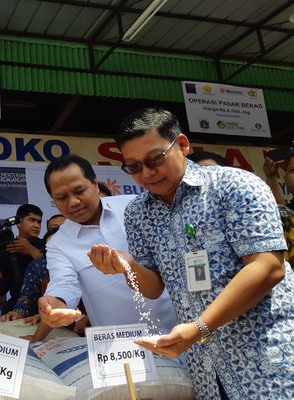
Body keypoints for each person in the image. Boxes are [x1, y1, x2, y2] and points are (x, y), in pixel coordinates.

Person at [92, 107, 294, 399]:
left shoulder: (234, 185)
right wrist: (127, 265)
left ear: (183, 145)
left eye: (155, 159)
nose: (147, 174)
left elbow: (267, 267)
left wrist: (199, 327)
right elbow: (153, 286)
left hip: (266, 359)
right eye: (134, 167)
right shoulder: (138, 213)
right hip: (206, 368)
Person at [38, 155, 178, 337]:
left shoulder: (134, 208)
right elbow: (63, 284)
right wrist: (56, 302)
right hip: (122, 348)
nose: (73, 202)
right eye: (61, 197)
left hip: (179, 330)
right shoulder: (58, 243)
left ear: (95, 184)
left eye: (79, 191)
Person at [0, 214, 66, 322]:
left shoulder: (90, 256)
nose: (59, 232)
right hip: (54, 322)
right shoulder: (37, 265)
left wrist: (85, 318)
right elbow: (27, 297)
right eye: (54, 228)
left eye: (64, 227)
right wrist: (18, 313)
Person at [0, 204, 46, 314]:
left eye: (39, 222)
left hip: (46, 307)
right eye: (32, 220)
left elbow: (54, 275)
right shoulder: (8, 248)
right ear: (18, 223)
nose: (37, 225)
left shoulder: (47, 245)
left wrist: (31, 250)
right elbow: (1, 289)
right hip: (15, 310)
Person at [264, 149, 294, 263]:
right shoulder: (287, 215)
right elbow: (283, 212)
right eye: (293, 170)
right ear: (285, 179)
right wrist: (271, 177)